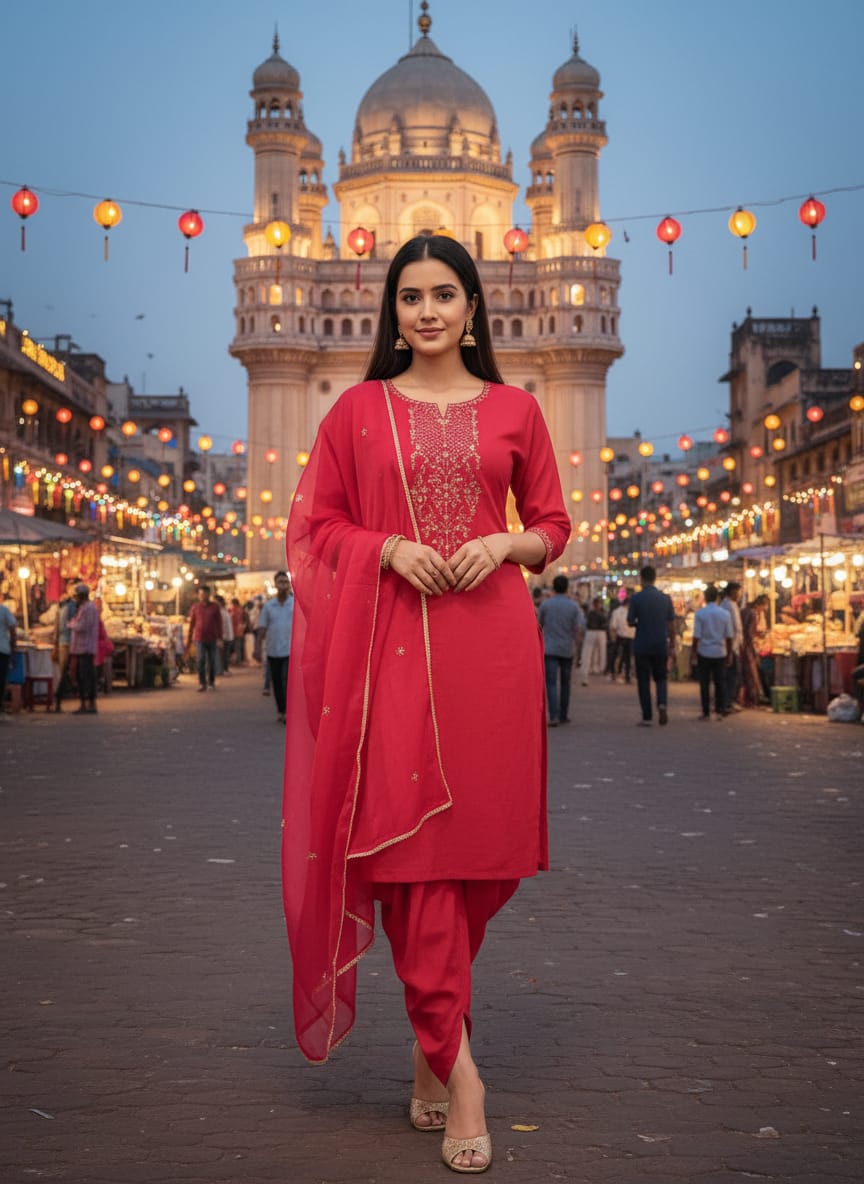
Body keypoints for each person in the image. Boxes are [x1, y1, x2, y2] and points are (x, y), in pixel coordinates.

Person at [282, 233, 570, 1175]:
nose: (429, 311)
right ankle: (465, 1077)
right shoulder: (357, 412)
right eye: (411, 297)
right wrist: (386, 549)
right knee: (410, 866)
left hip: (491, 652)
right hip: (390, 654)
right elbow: (315, 524)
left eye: (446, 294)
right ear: (391, 313)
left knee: (479, 872)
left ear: (475, 307)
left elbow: (556, 524)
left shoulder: (518, 408)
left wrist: (508, 546)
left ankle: (429, 1038)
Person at [627, 565, 676, 726]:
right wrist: (672, 645)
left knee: (643, 680)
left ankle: (647, 716)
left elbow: (630, 621)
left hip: (642, 644)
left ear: (642, 579)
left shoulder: (636, 598)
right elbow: (671, 625)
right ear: (655, 578)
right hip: (660, 644)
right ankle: (662, 703)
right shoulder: (665, 599)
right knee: (661, 677)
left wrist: (640, 622)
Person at [538, 574, 584, 726]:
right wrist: (578, 649)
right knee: (565, 683)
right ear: (566, 588)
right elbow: (578, 629)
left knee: (551, 683)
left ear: (553, 587)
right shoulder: (574, 606)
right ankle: (564, 714)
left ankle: (554, 715)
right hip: (567, 649)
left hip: (549, 648)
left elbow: (539, 626)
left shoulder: (546, 605)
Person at [257, 571, 294, 724]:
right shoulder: (268, 606)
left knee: (287, 681)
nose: (283, 585)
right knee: (277, 682)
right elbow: (262, 628)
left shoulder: (295, 603)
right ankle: (281, 710)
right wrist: (257, 648)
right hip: (273, 649)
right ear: (276, 584)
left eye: (286, 582)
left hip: (290, 650)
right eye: (281, 582)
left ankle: (288, 711)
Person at [692, 585, 734, 719]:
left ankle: (705, 712)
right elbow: (729, 637)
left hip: (704, 651)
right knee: (719, 681)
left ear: (705, 597)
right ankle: (720, 710)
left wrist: (693, 653)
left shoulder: (700, 614)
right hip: (720, 652)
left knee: (704, 683)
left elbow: (696, 636)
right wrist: (729, 653)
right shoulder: (725, 614)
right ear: (717, 597)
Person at [67, 583, 99, 715]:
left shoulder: (88, 608)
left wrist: (71, 624)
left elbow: (82, 626)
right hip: (81, 648)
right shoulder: (84, 608)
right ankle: (86, 703)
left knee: (85, 677)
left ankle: (87, 704)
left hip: (85, 647)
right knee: (84, 676)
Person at [186, 585, 222, 691]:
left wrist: (220, 638)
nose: (202, 596)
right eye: (200, 594)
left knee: (211, 661)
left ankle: (211, 682)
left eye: (204, 594)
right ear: (198, 595)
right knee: (200, 660)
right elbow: (192, 623)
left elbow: (219, 623)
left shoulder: (215, 607)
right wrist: (189, 638)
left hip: (212, 638)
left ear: (208, 595)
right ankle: (202, 683)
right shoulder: (195, 607)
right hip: (199, 638)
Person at [740, 593, 770, 707]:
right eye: (765, 606)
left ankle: (748, 699)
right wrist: (753, 648)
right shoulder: (752, 613)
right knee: (751, 674)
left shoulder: (745, 610)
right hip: (748, 647)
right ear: (760, 604)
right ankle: (752, 699)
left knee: (746, 674)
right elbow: (749, 633)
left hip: (743, 646)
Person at [719, 581, 743, 710]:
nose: (739, 594)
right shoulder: (727, 605)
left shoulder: (731, 605)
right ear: (733, 591)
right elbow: (732, 628)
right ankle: (727, 702)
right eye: (738, 591)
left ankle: (728, 701)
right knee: (731, 674)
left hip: (733, 645)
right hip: (730, 646)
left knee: (732, 674)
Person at [608, 592, 635, 683]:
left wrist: (613, 638)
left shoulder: (617, 611)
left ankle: (615, 673)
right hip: (627, 637)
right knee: (626, 657)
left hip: (621, 637)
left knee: (618, 656)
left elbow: (613, 626)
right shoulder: (630, 612)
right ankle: (624, 675)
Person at [580, 596, 607, 684]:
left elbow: (585, 623)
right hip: (599, 632)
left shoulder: (590, 613)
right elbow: (605, 622)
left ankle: (587, 672)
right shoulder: (602, 613)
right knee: (600, 652)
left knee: (588, 653)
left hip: (590, 632)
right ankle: (600, 668)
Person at [0, 597, 17, 717]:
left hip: (3, 649)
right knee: (1, 680)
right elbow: (13, 629)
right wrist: (13, 647)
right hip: (3, 650)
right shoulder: (4, 610)